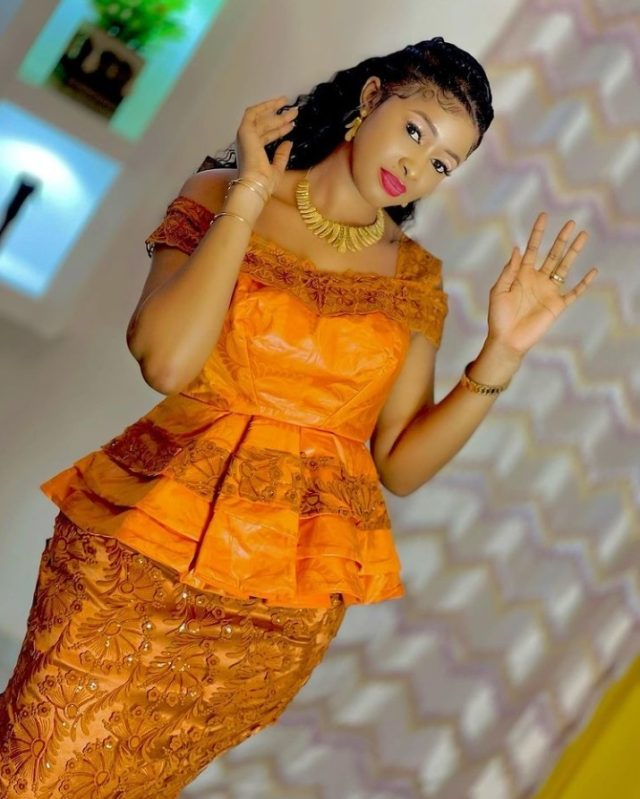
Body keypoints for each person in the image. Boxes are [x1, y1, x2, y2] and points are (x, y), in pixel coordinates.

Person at [0, 36, 597, 797]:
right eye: (415, 130)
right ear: (372, 97)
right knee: (31, 769)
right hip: (139, 559)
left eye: (443, 163)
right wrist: (250, 194)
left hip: (275, 619)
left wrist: (501, 355)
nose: (417, 166)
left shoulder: (416, 280)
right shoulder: (224, 192)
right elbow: (166, 362)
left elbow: (399, 465)